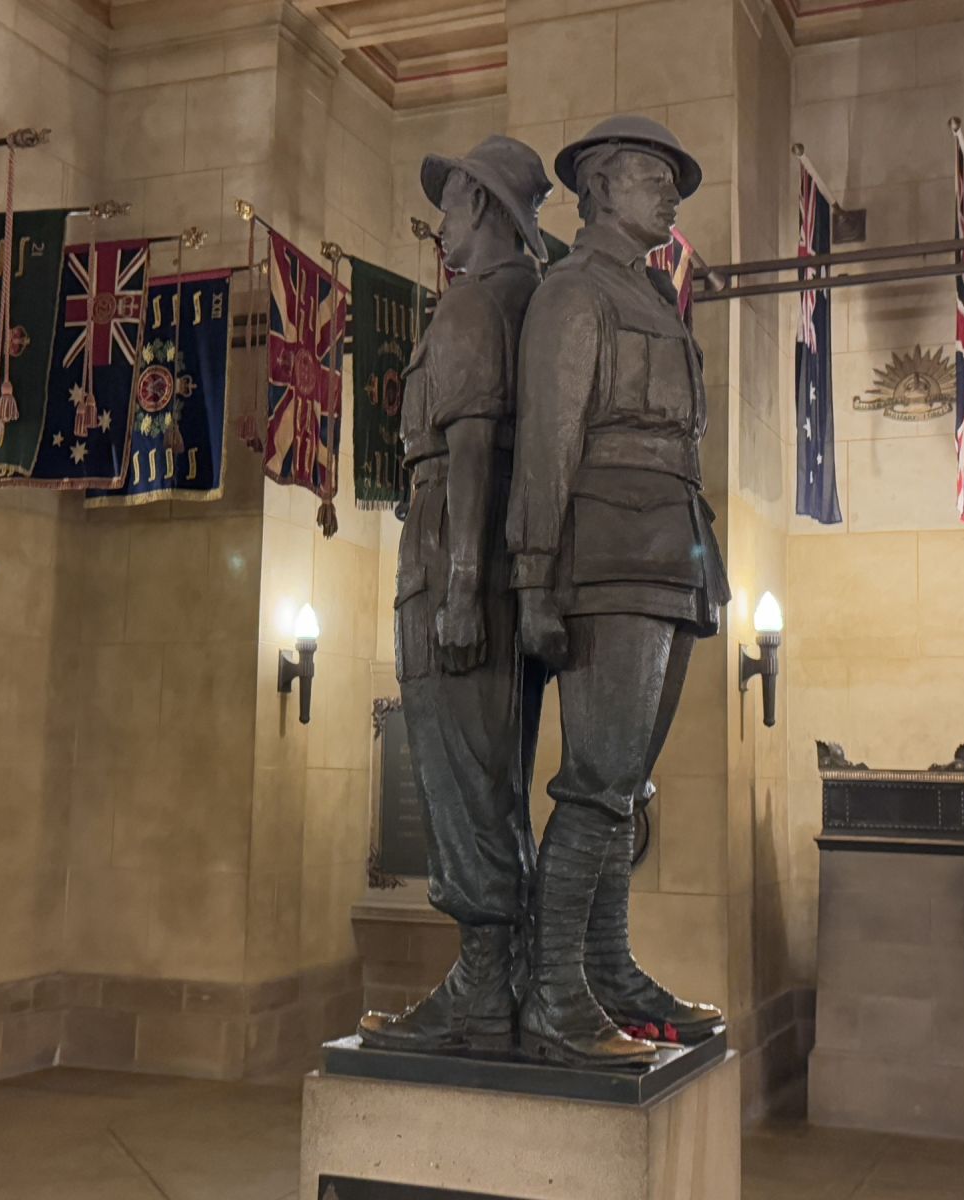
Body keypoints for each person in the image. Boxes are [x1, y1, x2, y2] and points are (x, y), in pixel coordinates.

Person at [507, 116, 729, 1067]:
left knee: (626, 786)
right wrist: (532, 573)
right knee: (597, 782)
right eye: (649, 175)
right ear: (597, 187)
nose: (668, 192)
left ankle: (606, 965)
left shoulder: (651, 297)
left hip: (670, 553)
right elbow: (550, 441)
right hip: (606, 553)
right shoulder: (573, 291)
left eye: (671, 178)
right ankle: (555, 991)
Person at [356, 136, 552, 1055]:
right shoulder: (521, 299)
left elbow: (473, 446)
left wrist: (463, 589)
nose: (441, 220)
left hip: (450, 556)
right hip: (468, 555)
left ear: (479, 200)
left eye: (451, 200)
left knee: (463, 775)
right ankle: (502, 979)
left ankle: (481, 990)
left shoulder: (477, 304)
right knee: (488, 777)